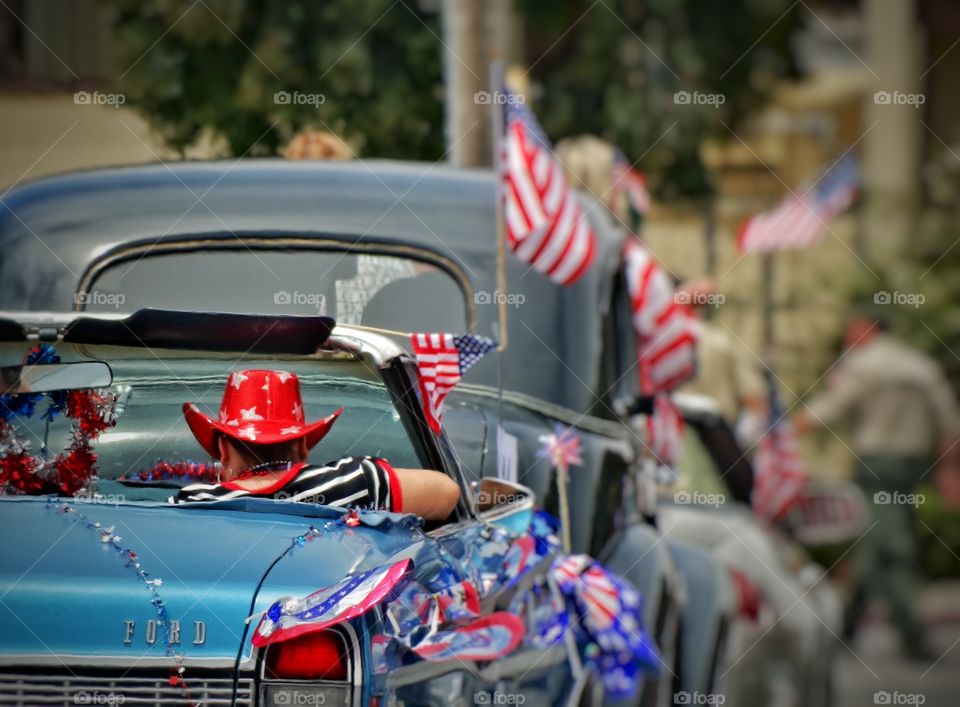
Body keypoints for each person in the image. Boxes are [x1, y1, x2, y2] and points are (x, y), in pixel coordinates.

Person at [795, 314, 960, 659]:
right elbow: (948, 422)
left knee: (891, 545)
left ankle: (909, 631)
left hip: (876, 465)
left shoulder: (862, 364)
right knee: (876, 540)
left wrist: (791, 427)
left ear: (868, 329)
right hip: (913, 465)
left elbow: (832, 407)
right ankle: (849, 627)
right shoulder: (920, 365)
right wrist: (948, 470)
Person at [171, 369, 461, 521]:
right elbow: (447, 493)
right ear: (303, 447)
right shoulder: (355, 483)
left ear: (222, 449)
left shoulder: (192, 502)